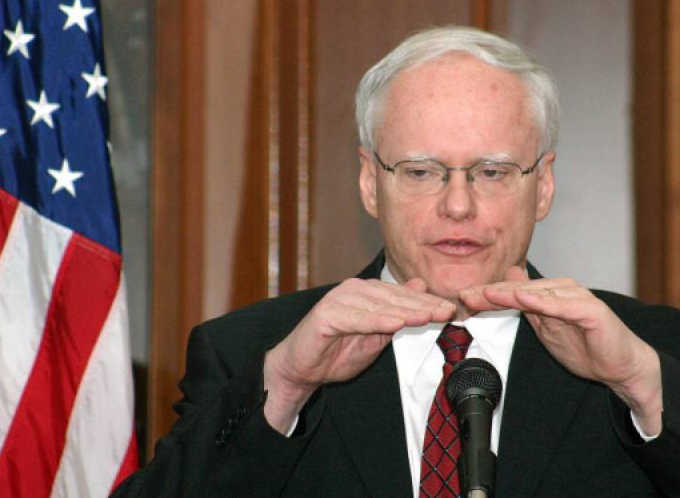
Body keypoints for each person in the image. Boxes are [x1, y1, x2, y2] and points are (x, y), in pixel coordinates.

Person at [114, 26, 680, 497]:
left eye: (491, 172)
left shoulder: (650, 351)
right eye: (421, 171)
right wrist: (284, 387)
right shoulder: (253, 353)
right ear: (370, 181)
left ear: (543, 185)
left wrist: (644, 385)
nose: (458, 205)